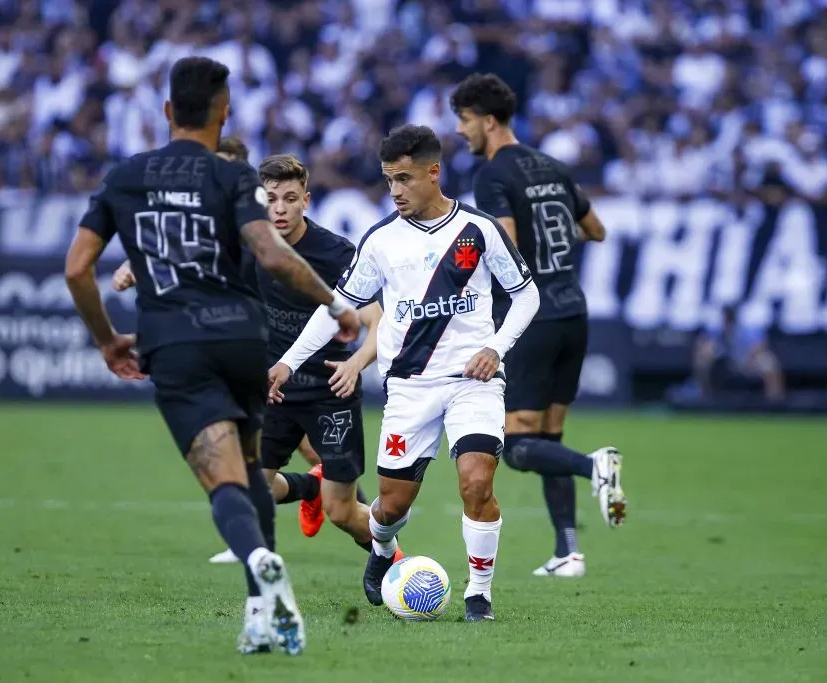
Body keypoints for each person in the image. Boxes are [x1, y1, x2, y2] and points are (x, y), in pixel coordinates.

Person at [64, 56, 360, 656]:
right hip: (244, 343)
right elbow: (273, 256)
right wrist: (338, 305)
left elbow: (76, 269)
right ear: (222, 114)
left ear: (168, 110)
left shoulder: (127, 176)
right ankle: (264, 615)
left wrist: (105, 338)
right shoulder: (233, 179)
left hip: (176, 345)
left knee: (222, 480)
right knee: (250, 470)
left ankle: (259, 564)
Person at [270, 124, 541, 622]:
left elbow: (527, 295)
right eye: (388, 180)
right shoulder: (379, 243)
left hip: (472, 382)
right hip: (410, 388)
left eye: (403, 178)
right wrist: (289, 360)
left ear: (433, 173)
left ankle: (478, 593)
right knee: (391, 505)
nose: (394, 190)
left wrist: (496, 347)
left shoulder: (478, 231)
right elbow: (336, 307)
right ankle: (380, 548)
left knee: (476, 481)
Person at [114, 154, 390, 562]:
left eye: (290, 198)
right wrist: (135, 264)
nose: (280, 208)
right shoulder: (246, 245)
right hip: (273, 390)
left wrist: (355, 364)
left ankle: (393, 560)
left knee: (341, 512)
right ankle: (307, 488)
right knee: (245, 487)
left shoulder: (335, 253)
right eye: (272, 198)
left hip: (328, 390)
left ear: (306, 201)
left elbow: (377, 320)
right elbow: (188, 260)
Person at [450, 73, 627, 579]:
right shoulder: (553, 165)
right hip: (574, 312)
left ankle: (594, 466)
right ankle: (568, 551)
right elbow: (596, 230)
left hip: (533, 317)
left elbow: (503, 248)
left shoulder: (492, 174)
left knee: (521, 446)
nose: (461, 132)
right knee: (550, 435)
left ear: (487, 120)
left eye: (463, 121)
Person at [693, 306, 785, 401]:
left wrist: (749, 361)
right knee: (702, 360)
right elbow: (706, 344)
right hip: (724, 362)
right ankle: (704, 395)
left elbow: (759, 345)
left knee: (769, 363)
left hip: (747, 361)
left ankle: (775, 399)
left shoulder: (746, 329)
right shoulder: (718, 329)